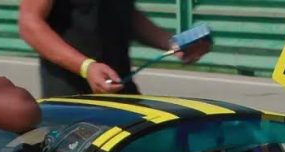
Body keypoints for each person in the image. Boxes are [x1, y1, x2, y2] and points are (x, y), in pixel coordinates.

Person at [19, 0, 211, 97]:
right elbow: (30, 23)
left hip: (121, 88)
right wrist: (86, 67)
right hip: (71, 97)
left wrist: (171, 43)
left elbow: (127, 14)